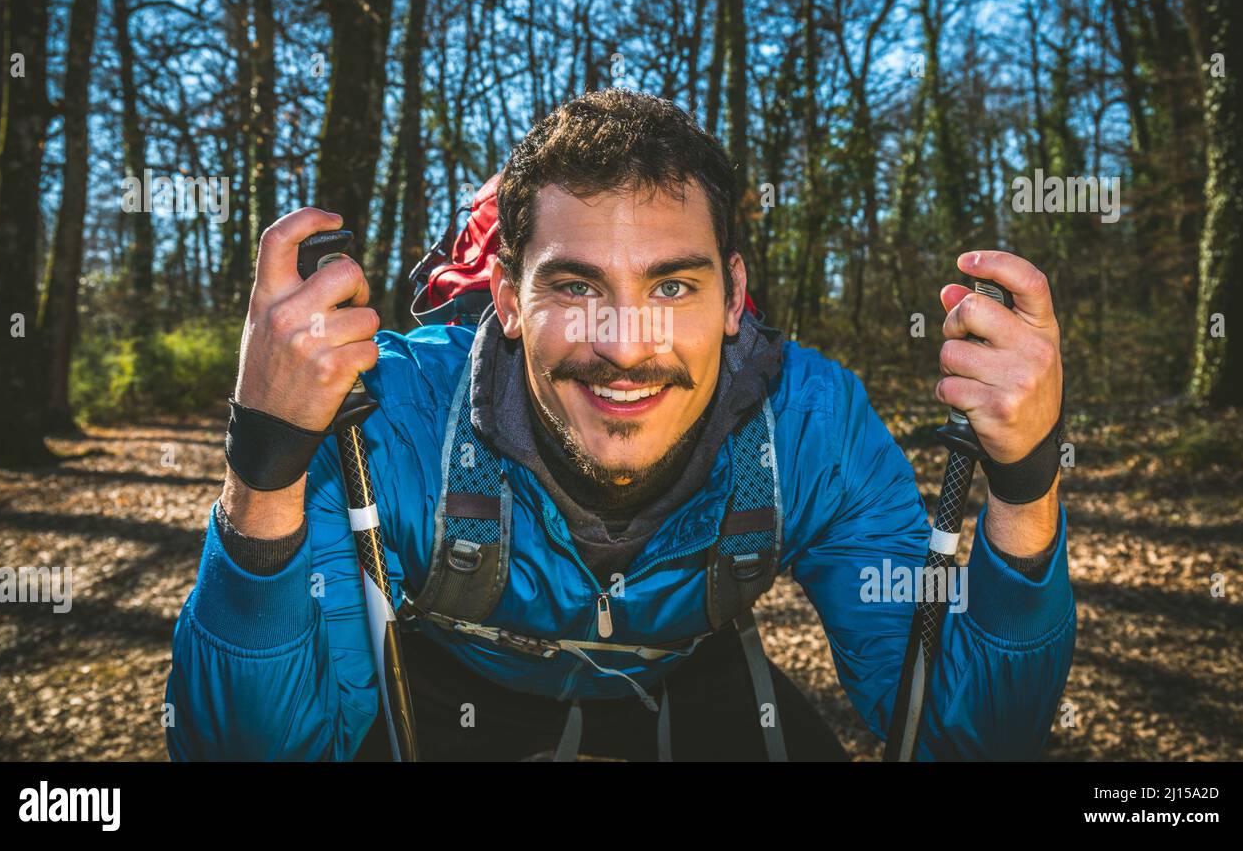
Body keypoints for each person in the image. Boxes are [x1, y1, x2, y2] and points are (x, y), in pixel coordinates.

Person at [164, 88, 1074, 761]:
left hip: (691, 683)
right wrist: (265, 470)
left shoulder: (810, 431)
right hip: (446, 689)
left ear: (735, 299)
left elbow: (957, 739)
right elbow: (259, 752)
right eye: (574, 285)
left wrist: (1026, 485)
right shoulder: (386, 420)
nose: (626, 348)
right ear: (507, 302)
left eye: (673, 285)